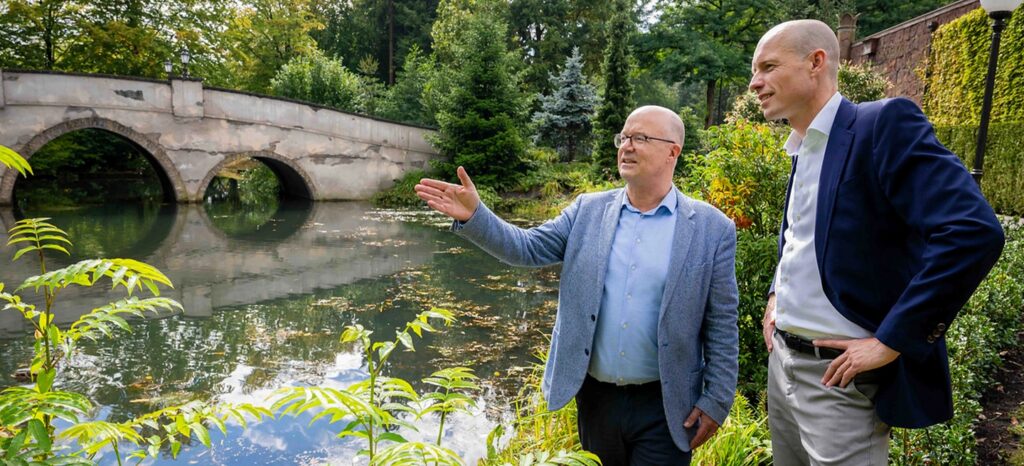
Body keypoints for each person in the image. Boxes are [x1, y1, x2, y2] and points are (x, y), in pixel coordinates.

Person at [414, 105, 739, 465]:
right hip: (596, 400)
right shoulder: (587, 211)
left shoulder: (712, 228)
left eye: (640, 138)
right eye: (624, 137)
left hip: (667, 404)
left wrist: (716, 400)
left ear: (672, 151)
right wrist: (476, 215)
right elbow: (527, 248)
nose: (626, 146)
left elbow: (722, 322)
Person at [750, 19, 1005, 465]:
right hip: (783, 368)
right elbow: (805, 235)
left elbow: (971, 231)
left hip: (840, 383)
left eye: (768, 67)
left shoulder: (881, 125)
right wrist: (777, 292)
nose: (755, 83)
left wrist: (892, 339)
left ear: (816, 62)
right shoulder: (802, 145)